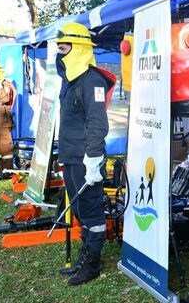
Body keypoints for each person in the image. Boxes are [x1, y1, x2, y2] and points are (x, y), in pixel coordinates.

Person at [54, 22, 115, 286]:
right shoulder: (69, 80)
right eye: (58, 47)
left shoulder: (92, 80)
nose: (60, 52)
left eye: (64, 47)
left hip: (86, 159)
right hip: (70, 156)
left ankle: (92, 264)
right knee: (79, 208)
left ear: (78, 47)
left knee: (91, 210)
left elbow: (98, 123)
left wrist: (93, 159)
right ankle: (84, 255)